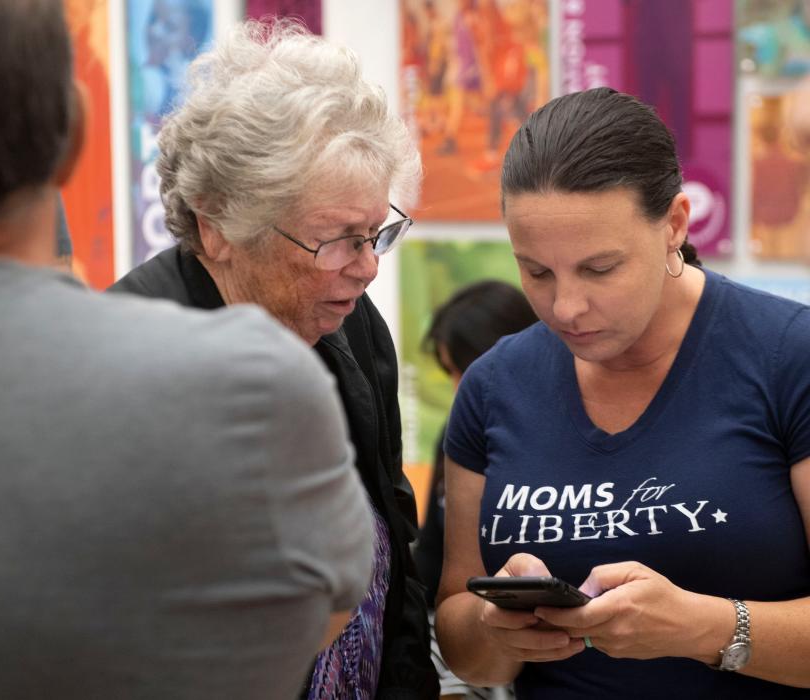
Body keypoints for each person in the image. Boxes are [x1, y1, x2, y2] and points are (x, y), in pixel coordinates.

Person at [0, 2, 375, 698]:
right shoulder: (253, 388)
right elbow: (323, 616)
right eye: (337, 235)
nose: (364, 267)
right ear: (73, 138)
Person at [435, 87, 810, 698]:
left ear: (674, 225)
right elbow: (464, 643)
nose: (567, 306)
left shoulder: (788, 359)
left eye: (600, 268)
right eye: (536, 271)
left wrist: (703, 629)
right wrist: (493, 629)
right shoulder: (494, 386)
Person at [109, 19, 440, 699]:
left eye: (377, 232)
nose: (369, 267)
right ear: (217, 225)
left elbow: (395, 556)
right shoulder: (127, 356)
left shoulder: (353, 329)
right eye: (338, 240)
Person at [415, 280, 537, 700]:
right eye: (449, 372)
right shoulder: (458, 431)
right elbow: (433, 558)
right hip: (461, 633)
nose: (458, 387)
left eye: (460, 369)